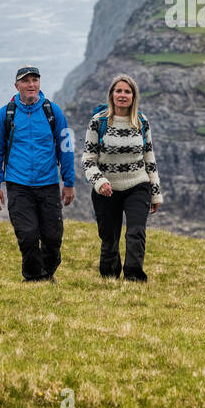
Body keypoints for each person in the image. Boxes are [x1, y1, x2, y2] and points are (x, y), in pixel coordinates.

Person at [0, 65, 75, 283]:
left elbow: (66, 149)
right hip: (18, 184)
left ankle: (48, 272)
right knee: (27, 235)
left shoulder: (53, 111)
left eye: (35, 80)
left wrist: (69, 182)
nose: (31, 85)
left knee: (53, 237)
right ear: (17, 86)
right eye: (26, 81)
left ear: (39, 84)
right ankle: (34, 278)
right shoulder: (5, 114)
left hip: (48, 184)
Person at [82, 72, 162, 282]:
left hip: (138, 185)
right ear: (112, 94)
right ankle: (109, 276)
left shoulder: (141, 121)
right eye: (119, 91)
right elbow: (88, 159)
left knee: (135, 233)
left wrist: (155, 193)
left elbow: (149, 157)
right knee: (109, 237)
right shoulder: (98, 122)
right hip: (106, 190)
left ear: (134, 96)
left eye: (128, 91)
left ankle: (134, 277)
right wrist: (100, 182)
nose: (123, 95)